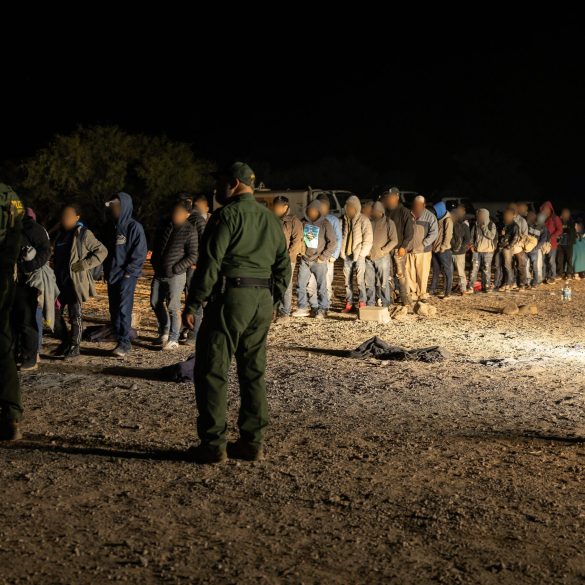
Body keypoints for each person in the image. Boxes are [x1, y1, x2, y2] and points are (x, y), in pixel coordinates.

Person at [182, 162, 291, 464]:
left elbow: (210, 263)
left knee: (213, 370)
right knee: (253, 372)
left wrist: (194, 302)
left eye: (220, 182)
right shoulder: (271, 220)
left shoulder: (226, 216)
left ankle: (213, 444)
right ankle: (252, 442)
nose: (216, 188)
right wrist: (273, 299)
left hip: (231, 297)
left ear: (233, 183)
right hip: (261, 300)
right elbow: (284, 266)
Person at [53, 203, 108, 359]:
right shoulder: (60, 234)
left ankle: (74, 346)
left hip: (74, 282)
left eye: (68, 216)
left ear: (77, 217)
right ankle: (65, 342)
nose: (64, 218)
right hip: (59, 281)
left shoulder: (83, 234)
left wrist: (84, 264)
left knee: (74, 315)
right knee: (53, 313)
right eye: (63, 216)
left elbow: (102, 251)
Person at [103, 192, 148, 358]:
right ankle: (119, 339)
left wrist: (129, 272)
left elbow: (140, 252)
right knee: (114, 310)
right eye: (112, 207)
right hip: (112, 275)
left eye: (116, 206)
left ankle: (125, 344)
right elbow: (106, 252)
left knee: (123, 310)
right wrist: (105, 270)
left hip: (126, 276)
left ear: (124, 207)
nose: (113, 210)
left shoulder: (134, 227)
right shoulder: (110, 228)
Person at [150, 200, 199, 350]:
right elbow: (158, 245)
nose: (175, 215)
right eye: (174, 212)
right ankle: (164, 331)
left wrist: (176, 268)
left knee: (173, 306)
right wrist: (154, 261)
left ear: (187, 214)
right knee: (155, 302)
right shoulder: (167, 226)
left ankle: (174, 338)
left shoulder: (190, 231)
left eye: (179, 213)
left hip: (176, 275)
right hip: (159, 272)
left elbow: (193, 255)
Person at [0, 182, 25, 441]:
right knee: (3, 345)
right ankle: (11, 416)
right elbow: (18, 231)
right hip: (4, 277)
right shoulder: (11, 196)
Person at [13, 208, 51, 370]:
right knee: (11, 321)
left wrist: (27, 267)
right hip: (9, 281)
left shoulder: (31, 227)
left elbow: (45, 250)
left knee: (26, 320)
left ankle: (30, 358)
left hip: (26, 281)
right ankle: (15, 355)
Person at [293, 200, 337, 318]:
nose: (311, 212)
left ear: (318, 211)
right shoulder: (303, 222)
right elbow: (299, 238)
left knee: (321, 287)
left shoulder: (325, 223)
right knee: (301, 284)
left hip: (319, 260)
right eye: (309, 210)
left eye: (313, 210)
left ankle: (323, 309)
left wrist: (323, 257)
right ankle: (302, 307)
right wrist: (300, 251)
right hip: (305, 260)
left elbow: (333, 242)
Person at [307, 193, 342, 305]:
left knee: (326, 283)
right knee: (311, 283)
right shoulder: (312, 220)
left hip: (327, 257)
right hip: (314, 258)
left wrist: (334, 256)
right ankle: (314, 305)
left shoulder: (333, 220)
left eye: (324, 206)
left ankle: (326, 304)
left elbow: (337, 238)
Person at [340, 196, 373, 312]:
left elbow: (368, 238)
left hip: (359, 255)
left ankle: (362, 302)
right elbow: (342, 236)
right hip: (347, 254)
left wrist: (362, 254)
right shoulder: (344, 220)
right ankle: (349, 303)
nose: (348, 209)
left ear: (356, 208)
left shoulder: (364, 220)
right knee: (347, 282)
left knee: (360, 281)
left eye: (351, 207)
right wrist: (342, 251)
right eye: (347, 207)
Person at [272, 195, 303, 319]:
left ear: (285, 207)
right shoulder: (273, 219)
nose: (275, 209)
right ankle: (275, 309)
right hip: (273, 259)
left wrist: (287, 257)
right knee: (274, 284)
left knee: (286, 285)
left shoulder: (294, 221)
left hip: (287, 259)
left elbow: (296, 242)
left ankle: (285, 312)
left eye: (277, 206)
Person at [382, 187, 414, 305]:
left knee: (401, 274)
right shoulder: (385, 211)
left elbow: (409, 231)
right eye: (388, 197)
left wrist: (404, 246)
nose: (389, 199)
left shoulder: (404, 211)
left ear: (397, 197)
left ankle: (405, 298)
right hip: (387, 248)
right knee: (388, 274)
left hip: (399, 248)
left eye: (391, 197)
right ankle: (390, 298)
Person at [406, 195, 438, 301]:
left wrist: (424, 244)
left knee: (422, 273)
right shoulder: (408, 214)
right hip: (409, 250)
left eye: (419, 205)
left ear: (424, 205)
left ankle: (422, 293)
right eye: (415, 204)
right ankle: (412, 293)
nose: (416, 207)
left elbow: (434, 233)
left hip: (423, 251)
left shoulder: (430, 217)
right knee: (409, 272)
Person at [365, 202, 397, 307]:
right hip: (368, 258)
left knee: (383, 283)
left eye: (374, 211)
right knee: (369, 282)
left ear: (381, 212)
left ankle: (385, 304)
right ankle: (370, 304)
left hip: (382, 258)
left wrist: (384, 250)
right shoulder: (368, 222)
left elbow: (394, 240)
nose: (372, 213)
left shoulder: (389, 223)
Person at [429, 202, 454, 299]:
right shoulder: (439, 219)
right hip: (436, 249)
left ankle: (447, 292)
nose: (435, 213)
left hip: (444, 250)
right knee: (435, 271)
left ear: (440, 210)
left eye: (436, 211)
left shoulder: (448, 220)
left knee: (447, 272)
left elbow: (448, 235)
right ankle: (432, 290)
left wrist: (443, 247)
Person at [468, 208, 497, 293]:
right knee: (473, 269)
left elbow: (491, 236)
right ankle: (470, 287)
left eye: (481, 215)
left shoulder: (491, 224)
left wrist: (483, 227)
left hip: (488, 251)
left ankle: (486, 287)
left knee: (486, 270)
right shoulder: (475, 224)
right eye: (478, 215)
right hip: (476, 250)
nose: (479, 216)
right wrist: (471, 246)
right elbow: (471, 237)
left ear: (486, 215)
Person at [494, 208, 522, 291]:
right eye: (505, 215)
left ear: (513, 216)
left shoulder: (515, 226)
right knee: (498, 265)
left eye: (508, 215)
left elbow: (515, 237)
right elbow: (497, 235)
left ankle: (509, 283)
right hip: (500, 247)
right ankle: (500, 283)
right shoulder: (502, 224)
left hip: (507, 248)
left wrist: (509, 246)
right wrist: (501, 235)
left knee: (507, 266)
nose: (506, 216)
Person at [539, 201, 563, 283]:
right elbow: (538, 228)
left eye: (547, 208)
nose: (545, 210)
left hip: (552, 243)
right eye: (544, 209)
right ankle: (543, 277)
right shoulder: (541, 218)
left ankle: (552, 276)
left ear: (551, 209)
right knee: (542, 260)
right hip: (542, 243)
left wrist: (551, 237)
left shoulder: (555, 218)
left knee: (551, 261)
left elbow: (560, 229)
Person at [451, 204, 471, 294]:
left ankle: (463, 288)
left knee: (460, 271)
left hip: (460, 253)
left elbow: (467, 239)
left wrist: (461, 248)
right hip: (450, 251)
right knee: (449, 271)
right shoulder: (449, 225)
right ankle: (449, 287)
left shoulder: (464, 225)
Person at [526, 211, 549, 287]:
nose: (540, 219)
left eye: (542, 218)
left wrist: (535, 248)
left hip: (535, 249)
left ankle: (536, 281)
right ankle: (528, 280)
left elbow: (542, 241)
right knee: (526, 265)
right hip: (527, 248)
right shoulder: (530, 225)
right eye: (539, 217)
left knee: (535, 266)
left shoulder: (544, 229)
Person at [557, 208, 577, 279]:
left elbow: (572, 231)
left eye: (566, 213)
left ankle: (568, 273)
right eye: (563, 213)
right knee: (560, 259)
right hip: (560, 243)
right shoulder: (559, 221)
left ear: (568, 214)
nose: (564, 214)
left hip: (569, 243)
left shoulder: (572, 222)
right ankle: (560, 273)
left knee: (569, 259)